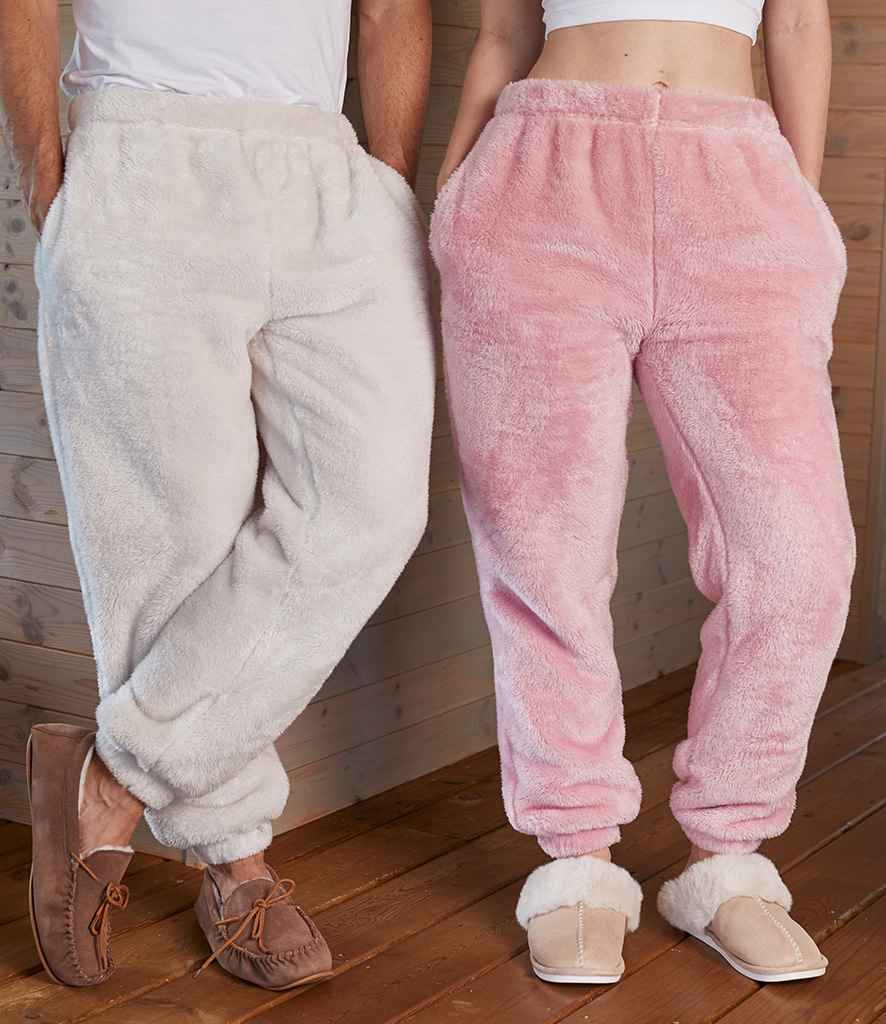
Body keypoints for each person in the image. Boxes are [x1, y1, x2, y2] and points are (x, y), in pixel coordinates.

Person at [1, 0, 436, 991]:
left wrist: (386, 182)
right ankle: (236, 862)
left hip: (324, 165)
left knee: (371, 504)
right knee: (168, 543)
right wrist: (46, 174)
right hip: (142, 144)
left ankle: (111, 776)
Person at [431, 0, 850, 985]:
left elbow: (797, 25)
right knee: (542, 549)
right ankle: (575, 860)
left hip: (739, 186)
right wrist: (453, 204)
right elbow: (504, 33)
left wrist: (800, 204)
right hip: (540, 184)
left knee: (798, 559)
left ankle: (729, 857)